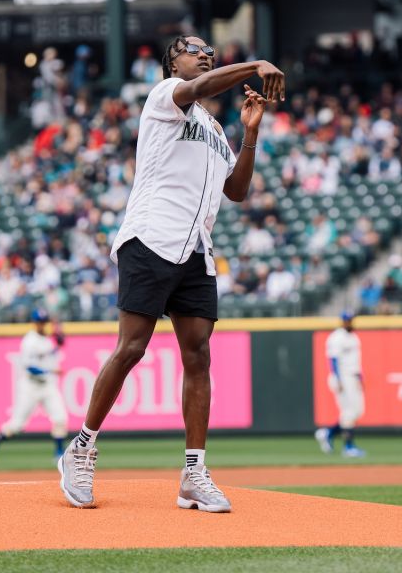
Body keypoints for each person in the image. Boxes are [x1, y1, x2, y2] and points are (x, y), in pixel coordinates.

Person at [56, 35, 284, 513]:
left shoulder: (214, 129)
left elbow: (237, 192)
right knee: (132, 348)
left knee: (198, 355)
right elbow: (201, 85)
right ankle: (80, 448)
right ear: (171, 62)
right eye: (192, 49)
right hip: (150, 239)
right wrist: (253, 65)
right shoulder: (163, 97)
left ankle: (193, 473)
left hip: (197, 250)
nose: (204, 54)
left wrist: (250, 133)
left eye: (208, 51)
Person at [0, 309, 69, 465]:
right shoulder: (29, 341)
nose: (42, 324)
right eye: (39, 321)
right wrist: (51, 370)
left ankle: (58, 454)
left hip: (47, 385)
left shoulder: (47, 340)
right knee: (17, 425)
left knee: (60, 419)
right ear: (34, 322)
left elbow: (53, 350)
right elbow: (29, 367)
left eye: (44, 321)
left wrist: (59, 338)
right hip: (30, 386)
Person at [314, 312, 366, 458]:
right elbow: (333, 360)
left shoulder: (353, 337)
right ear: (342, 321)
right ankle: (348, 447)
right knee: (348, 413)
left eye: (351, 320)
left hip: (353, 377)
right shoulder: (337, 337)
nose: (349, 322)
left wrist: (360, 377)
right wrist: (338, 379)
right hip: (342, 377)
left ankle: (328, 433)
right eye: (347, 320)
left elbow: (356, 361)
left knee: (357, 411)